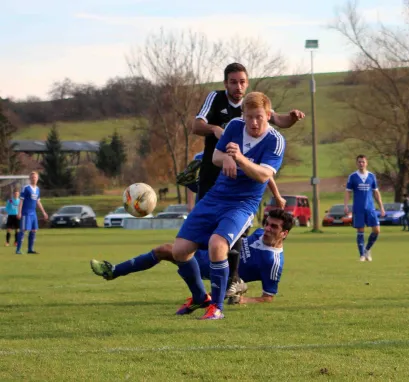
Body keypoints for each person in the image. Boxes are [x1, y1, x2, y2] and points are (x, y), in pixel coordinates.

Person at [171, 91, 286, 320]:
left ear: (268, 115)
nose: (254, 122)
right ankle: (199, 297)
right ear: (243, 115)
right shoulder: (234, 126)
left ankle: (216, 308)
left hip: (242, 203)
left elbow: (264, 175)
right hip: (216, 196)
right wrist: (225, 159)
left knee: (217, 244)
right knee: (179, 251)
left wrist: (240, 159)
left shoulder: (276, 141)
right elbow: (215, 156)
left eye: (259, 117)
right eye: (249, 117)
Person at [89, 208, 293, 311]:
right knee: (165, 249)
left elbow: (269, 297)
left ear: (284, 234)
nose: (267, 229)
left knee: (164, 250)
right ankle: (204, 297)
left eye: (274, 227)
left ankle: (113, 271)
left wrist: (243, 299)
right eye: (267, 224)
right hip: (210, 249)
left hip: (212, 264)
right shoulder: (258, 233)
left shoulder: (273, 262)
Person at [191, 63, 304, 204]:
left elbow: (279, 120)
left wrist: (292, 118)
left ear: (247, 83)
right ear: (226, 83)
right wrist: (215, 129)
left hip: (240, 178)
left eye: (242, 82)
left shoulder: (251, 105)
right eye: (233, 82)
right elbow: (196, 126)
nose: (238, 86)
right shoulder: (216, 97)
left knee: (236, 218)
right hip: (213, 169)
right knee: (204, 221)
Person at [344, 155, 385, 262]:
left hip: (370, 208)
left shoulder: (372, 176)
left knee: (377, 230)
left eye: (363, 162)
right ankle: (362, 255)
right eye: (359, 162)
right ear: (356, 163)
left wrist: (381, 207)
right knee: (360, 231)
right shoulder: (352, 177)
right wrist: (346, 205)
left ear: (366, 163)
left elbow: (376, 192)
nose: (361, 164)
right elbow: (348, 192)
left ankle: (367, 249)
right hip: (358, 208)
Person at [16, 172, 48, 255]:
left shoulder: (37, 189)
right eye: (32, 177)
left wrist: (44, 212)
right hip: (25, 212)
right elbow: (21, 201)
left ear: (37, 178)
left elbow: (38, 202)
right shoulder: (26, 188)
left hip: (33, 213)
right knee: (23, 229)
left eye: (35, 177)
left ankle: (30, 249)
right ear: (30, 179)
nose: (34, 179)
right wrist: (19, 212)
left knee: (34, 230)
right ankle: (18, 250)